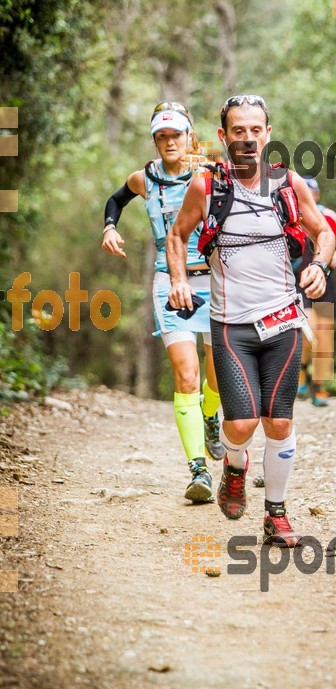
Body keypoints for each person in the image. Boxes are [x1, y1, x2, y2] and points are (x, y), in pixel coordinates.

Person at [166, 94, 335, 546]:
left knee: (279, 422)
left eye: (255, 130)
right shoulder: (206, 188)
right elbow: (178, 235)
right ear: (223, 137)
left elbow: (323, 232)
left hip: (283, 320)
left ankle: (276, 514)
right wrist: (179, 281)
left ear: (267, 134)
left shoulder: (287, 183)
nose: (247, 139)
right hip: (230, 325)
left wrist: (320, 265)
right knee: (240, 426)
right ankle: (234, 467)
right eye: (238, 131)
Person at [101, 101, 224, 504]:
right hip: (168, 283)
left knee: (217, 375)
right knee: (186, 376)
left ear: (190, 135)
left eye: (176, 134)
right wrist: (109, 228)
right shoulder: (145, 178)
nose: (169, 141)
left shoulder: (209, 174)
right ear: (155, 140)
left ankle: (210, 417)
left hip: (213, 279)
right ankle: (198, 471)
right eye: (162, 136)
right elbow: (115, 200)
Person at [296, 176, 336, 407]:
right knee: (307, 331)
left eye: (312, 192)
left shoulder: (328, 216)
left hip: (325, 283)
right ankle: (301, 373)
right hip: (297, 283)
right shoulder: (288, 216)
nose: (308, 197)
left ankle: (318, 387)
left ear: (317, 195)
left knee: (323, 338)